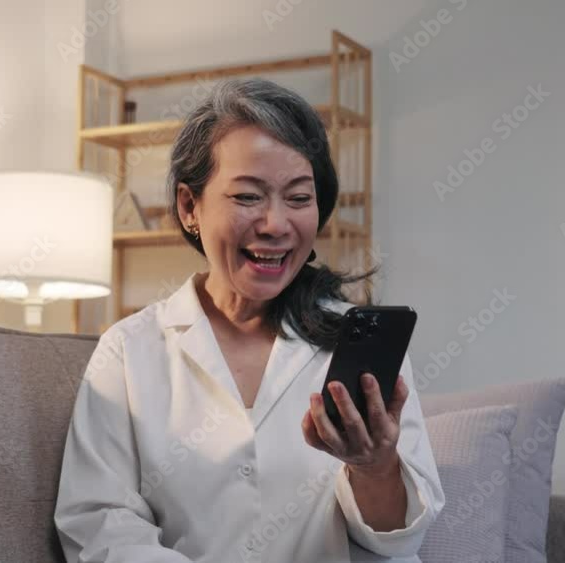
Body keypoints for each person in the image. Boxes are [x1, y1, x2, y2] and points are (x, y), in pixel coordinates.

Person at [54, 78, 444, 562]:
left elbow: (402, 539)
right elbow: (100, 522)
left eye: (299, 198)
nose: (276, 224)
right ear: (188, 206)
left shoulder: (358, 346)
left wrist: (376, 467)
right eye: (247, 197)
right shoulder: (129, 351)